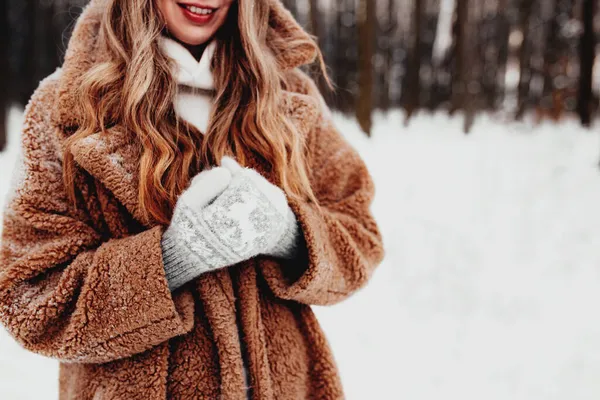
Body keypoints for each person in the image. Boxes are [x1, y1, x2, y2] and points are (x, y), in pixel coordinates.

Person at [0, 0, 384, 398]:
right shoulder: (67, 105)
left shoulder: (288, 95)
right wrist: (173, 257)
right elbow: (29, 301)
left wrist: (289, 233)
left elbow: (360, 237)